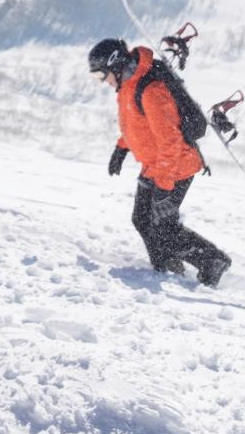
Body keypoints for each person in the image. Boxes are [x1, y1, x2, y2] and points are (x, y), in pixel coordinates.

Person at [89, 38, 232, 287]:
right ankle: (167, 268)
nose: (103, 81)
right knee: (143, 220)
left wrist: (164, 187)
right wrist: (122, 147)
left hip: (176, 167)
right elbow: (137, 124)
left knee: (163, 227)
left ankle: (212, 260)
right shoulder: (128, 86)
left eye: (101, 75)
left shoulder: (151, 91)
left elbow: (170, 142)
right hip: (155, 165)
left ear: (115, 64)